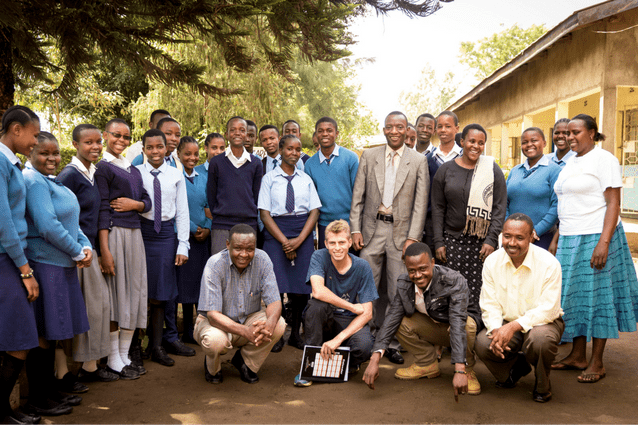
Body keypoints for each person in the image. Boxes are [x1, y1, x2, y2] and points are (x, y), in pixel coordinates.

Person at [550, 114, 638, 383]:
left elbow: (613, 203)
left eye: (576, 132)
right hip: (569, 236)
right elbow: (566, 202)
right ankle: (578, 355)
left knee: (598, 298)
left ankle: (597, 361)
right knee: (572, 298)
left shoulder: (605, 159)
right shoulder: (571, 162)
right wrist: (557, 236)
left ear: (592, 133)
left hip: (596, 236)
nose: (569, 137)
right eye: (567, 133)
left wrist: (604, 242)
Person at [350, 111, 428, 365]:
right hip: (372, 231)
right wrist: (355, 229)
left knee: (397, 289)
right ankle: (367, 337)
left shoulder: (418, 161)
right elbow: (358, 196)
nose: (395, 131)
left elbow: (420, 203)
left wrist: (413, 238)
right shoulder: (370, 156)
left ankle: (392, 343)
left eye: (400, 127)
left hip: (402, 234)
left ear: (407, 131)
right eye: (390, 127)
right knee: (366, 285)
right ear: (384, 130)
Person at [23, 132, 92, 416]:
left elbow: (71, 222)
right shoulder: (32, 181)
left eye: (55, 153)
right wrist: (77, 252)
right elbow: (47, 225)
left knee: (53, 333)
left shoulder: (52, 181)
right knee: (43, 333)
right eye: (44, 153)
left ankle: (50, 390)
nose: (51, 159)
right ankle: (39, 397)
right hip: (46, 264)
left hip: (63, 265)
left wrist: (85, 245)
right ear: (30, 152)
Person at [363, 242, 482, 398]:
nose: (417, 275)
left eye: (423, 269)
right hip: (436, 328)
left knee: (465, 324)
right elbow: (391, 319)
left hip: (458, 328)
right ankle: (427, 364)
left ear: (432, 263)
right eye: (412, 271)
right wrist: (374, 360)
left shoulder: (453, 280)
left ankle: (467, 370)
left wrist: (459, 369)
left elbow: (458, 322)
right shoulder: (405, 284)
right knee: (399, 322)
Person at [476, 214, 564, 403]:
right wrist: (496, 330)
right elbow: (489, 303)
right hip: (507, 323)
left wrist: (514, 326)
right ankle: (513, 370)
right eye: (507, 236)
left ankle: (542, 383)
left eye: (520, 237)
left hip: (543, 323)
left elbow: (548, 309)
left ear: (532, 236)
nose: (512, 243)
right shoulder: (492, 261)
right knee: (483, 343)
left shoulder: (549, 263)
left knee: (540, 340)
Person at [57, 125, 120, 383]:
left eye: (98, 142)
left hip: (90, 249)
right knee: (84, 310)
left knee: (98, 307)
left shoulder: (92, 173)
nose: (95, 147)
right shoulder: (69, 176)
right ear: (75, 145)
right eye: (88, 142)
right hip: (77, 253)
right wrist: (75, 248)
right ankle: (66, 372)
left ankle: (90, 366)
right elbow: (57, 214)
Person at [95, 118, 151, 381]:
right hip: (115, 234)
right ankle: (113, 358)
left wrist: (135, 205)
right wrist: (105, 249)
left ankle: (124, 355)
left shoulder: (134, 169)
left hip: (135, 234)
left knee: (134, 291)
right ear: (106, 135)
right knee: (117, 295)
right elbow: (102, 209)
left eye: (127, 137)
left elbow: (147, 201)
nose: (122, 141)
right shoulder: (103, 168)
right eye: (116, 135)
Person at [195, 224, 286, 384]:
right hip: (215, 324)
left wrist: (270, 323)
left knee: (279, 324)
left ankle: (246, 362)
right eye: (238, 248)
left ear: (255, 246)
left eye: (249, 249)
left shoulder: (263, 259)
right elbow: (213, 316)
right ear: (228, 244)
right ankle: (212, 367)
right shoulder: (214, 264)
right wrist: (246, 331)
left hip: (248, 320)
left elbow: (275, 301)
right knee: (215, 341)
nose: (243, 254)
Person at [294, 220, 378, 387]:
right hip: (326, 318)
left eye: (341, 242)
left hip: (348, 321)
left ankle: (347, 362)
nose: (337, 248)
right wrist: (352, 306)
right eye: (332, 243)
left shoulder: (362, 266)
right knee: (315, 306)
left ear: (349, 243)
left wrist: (338, 340)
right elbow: (317, 291)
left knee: (365, 346)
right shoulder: (319, 256)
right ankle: (310, 365)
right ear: (325, 244)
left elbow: (367, 313)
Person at [431, 123, 506, 307]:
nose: (476, 146)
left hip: (481, 246)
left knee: (479, 293)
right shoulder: (446, 170)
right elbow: (438, 208)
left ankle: (475, 331)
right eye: (472, 141)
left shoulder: (491, 169)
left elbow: (499, 207)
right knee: (451, 291)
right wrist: (439, 242)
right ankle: (452, 332)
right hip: (452, 244)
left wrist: (490, 239)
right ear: (462, 141)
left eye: (481, 143)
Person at [258, 135, 321, 352]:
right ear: (281, 150)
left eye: (297, 149)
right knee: (277, 286)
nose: (293, 153)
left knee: (301, 288)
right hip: (276, 234)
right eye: (289, 149)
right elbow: (265, 214)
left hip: (301, 233)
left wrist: (300, 240)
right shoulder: (269, 179)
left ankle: (295, 333)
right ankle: (278, 333)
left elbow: (314, 211)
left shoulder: (305, 179)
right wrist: (286, 242)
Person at [0, 105, 42, 425]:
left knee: (17, 338)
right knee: (18, 339)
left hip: (13, 258)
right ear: (16, 129)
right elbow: (4, 223)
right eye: (34, 134)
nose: (35, 141)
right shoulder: (0, 162)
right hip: (7, 261)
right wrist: (25, 270)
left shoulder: (11, 164)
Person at [136, 129, 191, 366]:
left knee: (160, 293)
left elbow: (183, 212)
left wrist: (183, 245)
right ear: (143, 150)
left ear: (166, 147)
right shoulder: (135, 173)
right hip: (140, 234)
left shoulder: (175, 174)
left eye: (159, 147)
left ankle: (157, 346)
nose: (155, 151)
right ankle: (135, 348)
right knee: (138, 293)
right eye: (150, 147)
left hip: (166, 236)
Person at [207, 116, 263, 254]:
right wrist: (222, 212)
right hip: (221, 224)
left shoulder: (256, 163)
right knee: (219, 266)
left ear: (247, 135)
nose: (237, 133)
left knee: (246, 267)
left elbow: (257, 195)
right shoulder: (216, 162)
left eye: (242, 130)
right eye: (233, 130)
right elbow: (211, 194)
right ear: (226, 135)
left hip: (248, 224)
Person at [177, 136, 211, 345]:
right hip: (184, 238)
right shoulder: (175, 176)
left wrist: (207, 227)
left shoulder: (202, 177)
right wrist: (192, 228)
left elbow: (209, 206)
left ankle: (202, 328)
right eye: (187, 154)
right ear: (179, 154)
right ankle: (187, 330)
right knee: (186, 285)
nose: (192, 157)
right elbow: (174, 208)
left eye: (195, 154)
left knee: (202, 284)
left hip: (203, 239)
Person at [305, 117, 359, 248]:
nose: (325, 134)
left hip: (348, 223)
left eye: (329, 130)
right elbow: (310, 201)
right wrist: (313, 234)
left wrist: (356, 228)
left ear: (336, 133)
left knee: (349, 265)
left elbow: (358, 194)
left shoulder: (351, 158)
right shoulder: (310, 164)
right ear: (316, 134)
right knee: (328, 265)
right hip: (324, 225)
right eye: (320, 131)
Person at [506, 127, 561, 250]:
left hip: (541, 238)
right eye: (525, 142)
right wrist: (508, 228)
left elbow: (557, 206)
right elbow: (505, 202)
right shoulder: (515, 170)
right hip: (512, 239)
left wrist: (536, 231)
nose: (529, 144)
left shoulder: (554, 170)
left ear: (544, 143)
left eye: (534, 140)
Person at [423, 111, 463, 253]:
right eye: (440, 127)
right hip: (432, 223)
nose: (443, 130)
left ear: (457, 129)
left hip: (459, 224)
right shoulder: (427, 159)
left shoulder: (465, 158)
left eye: (448, 126)